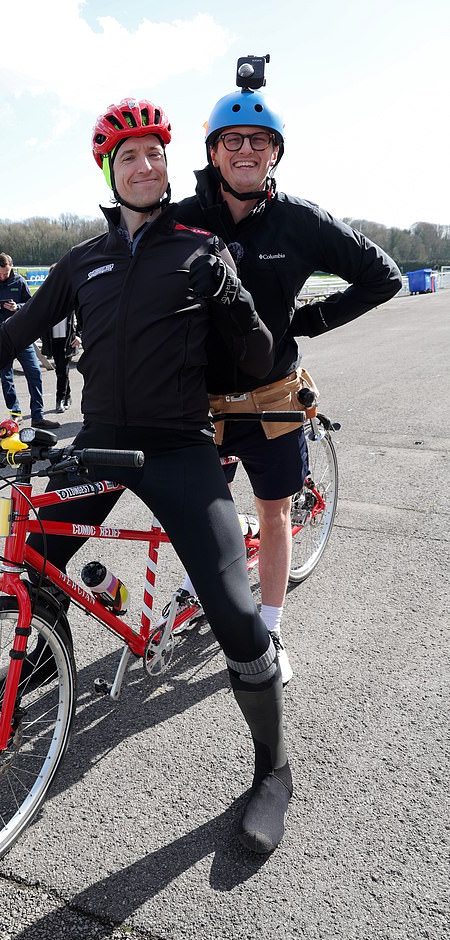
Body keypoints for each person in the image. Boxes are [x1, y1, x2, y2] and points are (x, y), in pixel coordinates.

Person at [0, 97, 295, 854]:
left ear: (169, 165)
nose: (144, 165)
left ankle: (274, 770)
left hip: (179, 451)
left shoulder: (200, 247)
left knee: (241, 621)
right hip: (101, 444)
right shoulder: (85, 261)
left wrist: (234, 293)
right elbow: (13, 333)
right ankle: (41, 657)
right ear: (109, 173)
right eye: (128, 157)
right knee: (37, 556)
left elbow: (254, 356)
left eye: (154, 153)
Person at [175, 65, 403, 683]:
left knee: (275, 512)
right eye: (232, 139)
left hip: (274, 393)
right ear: (213, 150)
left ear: (275, 152)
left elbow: (384, 277)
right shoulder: (183, 217)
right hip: (203, 400)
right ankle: (215, 587)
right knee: (200, 512)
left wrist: (312, 320)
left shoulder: (300, 220)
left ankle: (267, 630)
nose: (245, 150)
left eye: (259, 140)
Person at [0, 252, 59, 429]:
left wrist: (17, 307)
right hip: (0, 337)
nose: (3, 276)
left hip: (22, 335)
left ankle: (38, 415)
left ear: (11, 267)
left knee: (35, 373)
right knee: (6, 377)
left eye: (6, 273)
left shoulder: (19, 281)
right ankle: (15, 413)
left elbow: (31, 305)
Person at [41, 264, 81, 413]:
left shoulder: (72, 293)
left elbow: (81, 314)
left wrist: (79, 335)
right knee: (61, 370)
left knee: (62, 370)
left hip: (68, 338)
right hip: (52, 339)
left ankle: (60, 399)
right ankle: (68, 396)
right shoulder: (45, 295)